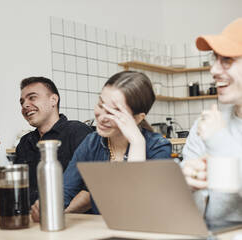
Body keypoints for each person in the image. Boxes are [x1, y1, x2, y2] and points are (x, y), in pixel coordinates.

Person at [31, 71, 172, 220]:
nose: (102, 117)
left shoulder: (158, 147)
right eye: (101, 105)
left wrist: (137, 143)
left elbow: (135, 212)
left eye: (115, 112)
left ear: (137, 118)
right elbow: (65, 191)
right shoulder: (92, 143)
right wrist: (47, 207)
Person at [0, 76, 92, 206]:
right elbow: (7, 198)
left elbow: (93, 190)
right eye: (22, 102)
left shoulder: (78, 132)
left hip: (71, 222)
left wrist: (55, 215)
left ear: (53, 100)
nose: (25, 105)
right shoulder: (25, 142)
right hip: (32, 222)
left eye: (32, 97)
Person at [181, 18, 242, 223]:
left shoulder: (214, 133)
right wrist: (186, 182)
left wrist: (220, 145)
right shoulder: (206, 124)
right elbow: (190, 211)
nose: (214, 70)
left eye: (227, 60)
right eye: (215, 59)